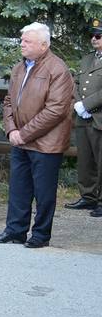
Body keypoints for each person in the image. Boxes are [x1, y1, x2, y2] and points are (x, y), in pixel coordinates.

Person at [0, 23, 74, 248]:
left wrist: (24, 133)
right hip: (20, 140)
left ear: (44, 45)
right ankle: (15, 231)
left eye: (28, 41)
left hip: (46, 143)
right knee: (18, 189)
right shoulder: (20, 67)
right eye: (22, 40)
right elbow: (9, 101)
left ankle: (40, 235)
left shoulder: (58, 69)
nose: (22, 45)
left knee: (44, 193)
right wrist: (11, 130)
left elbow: (56, 110)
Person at [66, 19, 102, 214]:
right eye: (92, 35)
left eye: (99, 36)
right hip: (84, 117)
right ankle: (88, 197)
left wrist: (87, 105)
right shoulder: (87, 58)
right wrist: (79, 104)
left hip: (99, 117)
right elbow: (76, 83)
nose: (94, 39)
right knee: (85, 160)